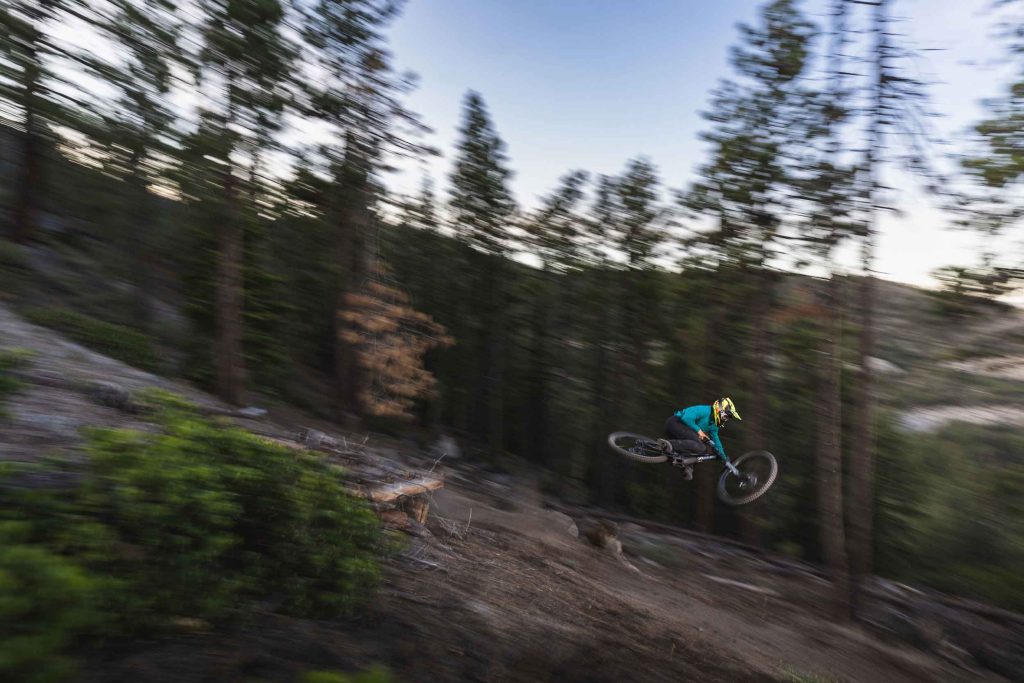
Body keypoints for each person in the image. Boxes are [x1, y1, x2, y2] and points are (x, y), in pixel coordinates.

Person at [658, 398, 741, 480]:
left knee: (701, 450)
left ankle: (686, 466)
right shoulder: (705, 410)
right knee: (700, 446)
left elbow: (716, 441)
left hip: (683, 433)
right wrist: (699, 431)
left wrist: (724, 458)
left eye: (727, 417)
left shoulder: (714, 425)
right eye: (726, 416)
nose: (725, 419)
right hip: (675, 423)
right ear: (719, 409)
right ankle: (668, 444)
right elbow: (686, 418)